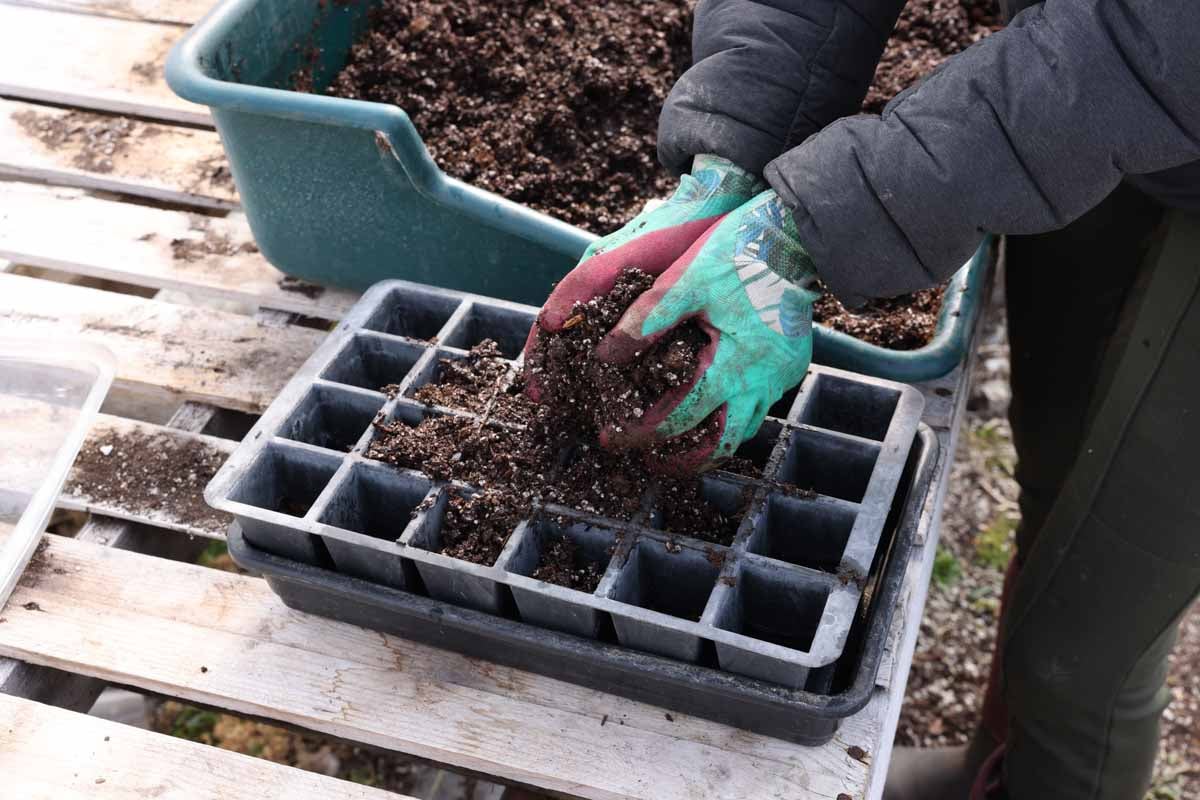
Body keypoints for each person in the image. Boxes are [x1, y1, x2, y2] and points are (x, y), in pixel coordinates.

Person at [522, 1, 1200, 798]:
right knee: (1057, 480)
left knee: (1086, 636)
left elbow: (1160, 41)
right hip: (1088, 63)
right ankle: (987, 769)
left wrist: (812, 226)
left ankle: (1051, 770)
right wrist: (733, 157)